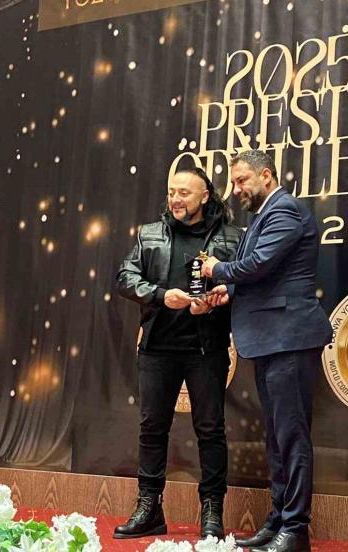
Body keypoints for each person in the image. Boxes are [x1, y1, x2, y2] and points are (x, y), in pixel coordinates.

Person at [200, 150, 331, 552]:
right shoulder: (263, 216)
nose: (235, 189)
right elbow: (262, 274)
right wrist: (229, 290)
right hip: (272, 339)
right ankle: (278, 521)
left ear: (267, 176)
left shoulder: (284, 210)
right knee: (277, 437)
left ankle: (296, 530)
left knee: (291, 437)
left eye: (242, 180)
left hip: (289, 338)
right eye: (233, 182)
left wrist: (217, 270)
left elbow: (260, 264)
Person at [114, 167, 242, 540]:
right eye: (172, 192)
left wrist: (220, 299)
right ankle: (149, 508)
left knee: (211, 430)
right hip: (157, 348)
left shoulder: (233, 237)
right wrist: (159, 295)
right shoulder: (150, 234)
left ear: (205, 195)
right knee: (152, 428)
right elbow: (125, 277)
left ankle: (212, 511)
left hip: (207, 349)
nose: (175, 199)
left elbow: (245, 283)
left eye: (184, 193)